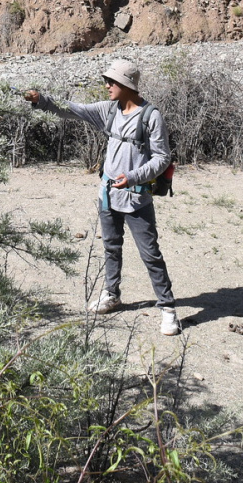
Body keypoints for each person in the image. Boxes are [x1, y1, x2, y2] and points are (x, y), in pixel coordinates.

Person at [24, 59, 179, 335]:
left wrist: (132, 177)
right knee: (111, 247)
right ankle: (111, 293)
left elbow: (162, 158)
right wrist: (42, 100)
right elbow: (75, 110)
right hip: (107, 195)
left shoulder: (150, 116)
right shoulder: (109, 109)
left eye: (112, 81)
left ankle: (167, 308)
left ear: (127, 85)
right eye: (107, 80)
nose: (107, 86)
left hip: (136, 199)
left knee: (150, 254)